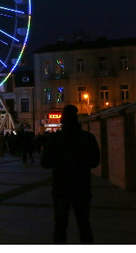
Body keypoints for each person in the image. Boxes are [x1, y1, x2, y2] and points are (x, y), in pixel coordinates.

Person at [41, 104, 100, 244]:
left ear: (62, 120)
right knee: (84, 224)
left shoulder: (55, 139)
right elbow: (95, 162)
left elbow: (45, 163)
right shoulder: (88, 137)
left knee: (60, 225)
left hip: (61, 187)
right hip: (82, 186)